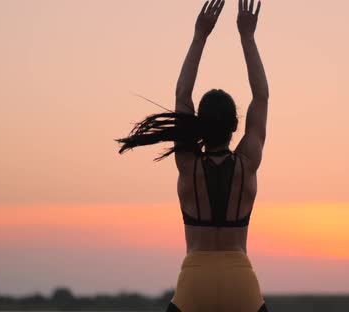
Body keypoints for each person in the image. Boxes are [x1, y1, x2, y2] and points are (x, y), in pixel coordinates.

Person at [115, 0, 269, 311]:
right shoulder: (247, 163)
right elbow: (261, 96)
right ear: (235, 126)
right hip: (241, 283)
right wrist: (247, 37)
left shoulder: (188, 164)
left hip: (194, 283)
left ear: (198, 124)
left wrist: (200, 36)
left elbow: (182, 94)